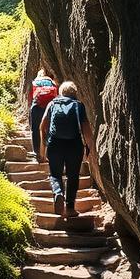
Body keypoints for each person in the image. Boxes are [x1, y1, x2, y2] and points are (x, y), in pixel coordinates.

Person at [38, 81, 96, 218]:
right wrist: (90, 148)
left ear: (61, 92)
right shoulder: (78, 105)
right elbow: (86, 129)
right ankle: (70, 208)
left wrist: (43, 146)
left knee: (55, 175)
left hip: (55, 144)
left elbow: (42, 125)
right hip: (74, 145)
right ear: (74, 93)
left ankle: (58, 193)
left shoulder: (52, 104)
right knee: (73, 176)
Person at [27, 68, 59, 162]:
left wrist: (30, 109)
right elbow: (57, 97)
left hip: (37, 107)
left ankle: (37, 153)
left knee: (36, 130)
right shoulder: (53, 83)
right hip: (50, 108)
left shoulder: (34, 82)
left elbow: (30, 98)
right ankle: (49, 154)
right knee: (50, 130)